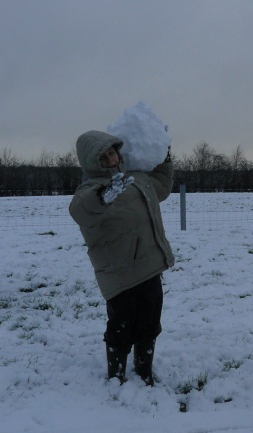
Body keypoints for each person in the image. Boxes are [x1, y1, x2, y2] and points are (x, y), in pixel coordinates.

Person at [69, 130, 175, 385]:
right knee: (121, 328)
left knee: (150, 323)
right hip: (120, 275)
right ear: (91, 163)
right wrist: (104, 196)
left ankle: (144, 371)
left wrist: (163, 156)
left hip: (149, 266)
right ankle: (116, 376)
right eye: (102, 158)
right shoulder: (91, 190)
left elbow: (161, 186)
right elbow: (81, 210)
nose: (111, 160)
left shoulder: (136, 178)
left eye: (111, 153)